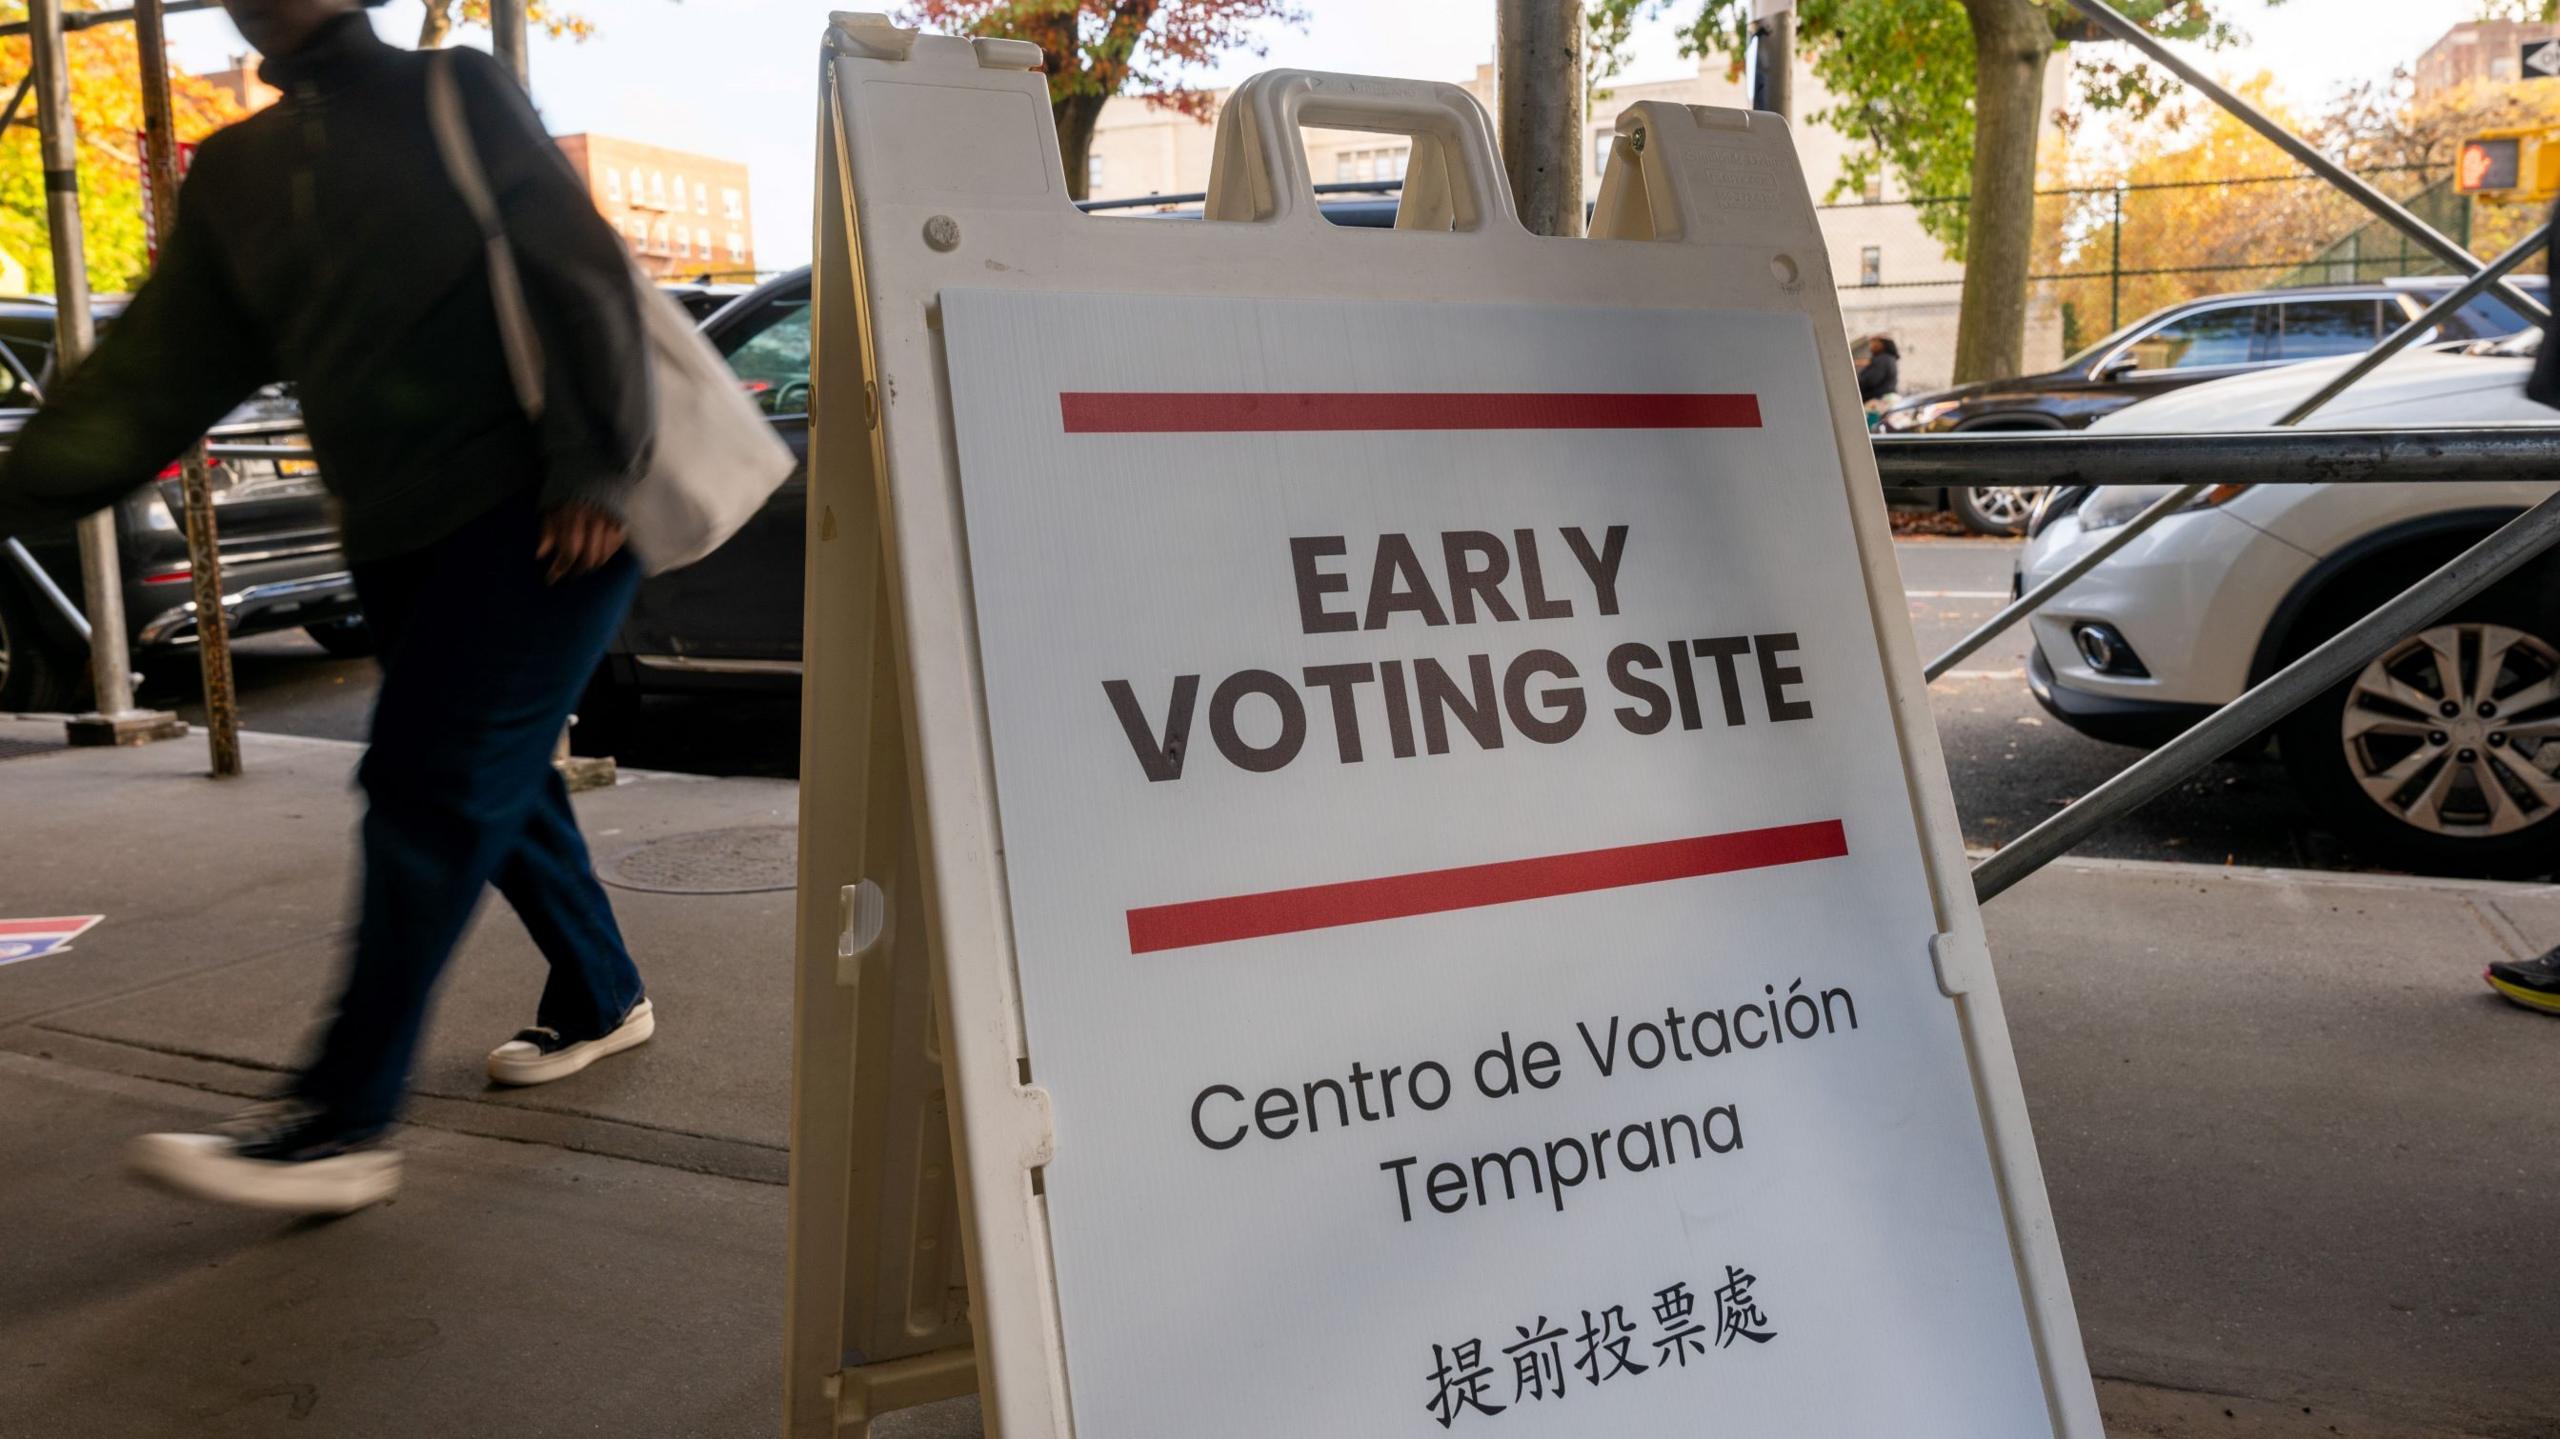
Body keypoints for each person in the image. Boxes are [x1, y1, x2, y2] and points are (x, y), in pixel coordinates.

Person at [0, 0, 658, 1212]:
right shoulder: (240, 172)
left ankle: (339, 1125)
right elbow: (156, 372)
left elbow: (588, 276)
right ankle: (604, 990)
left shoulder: (456, 92)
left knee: (426, 789)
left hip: (548, 522)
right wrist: (19, 479)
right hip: (399, 539)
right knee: (489, 785)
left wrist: (598, 462)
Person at [1856, 334, 1900, 405]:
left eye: (1874, 342)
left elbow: (1870, 380)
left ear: (1881, 344)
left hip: (1879, 401)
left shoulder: (1882, 360)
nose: (1871, 346)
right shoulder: (1888, 358)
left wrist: (1856, 382)